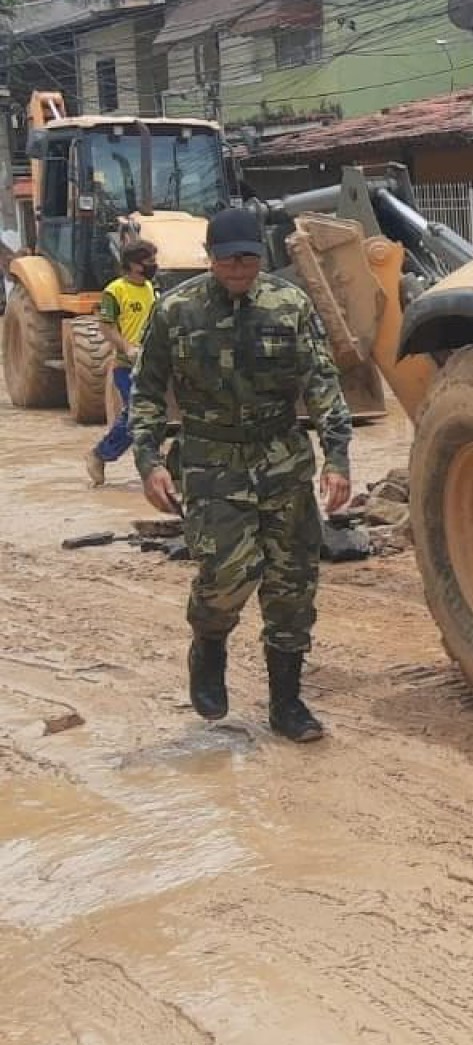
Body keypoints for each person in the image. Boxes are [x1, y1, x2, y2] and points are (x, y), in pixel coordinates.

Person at [131, 206, 353, 743]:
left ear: (261, 258)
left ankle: (287, 704)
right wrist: (149, 461)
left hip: (282, 459)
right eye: (229, 259)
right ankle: (209, 645)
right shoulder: (176, 311)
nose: (239, 269)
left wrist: (337, 458)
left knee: (292, 583)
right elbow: (147, 391)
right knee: (226, 576)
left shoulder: (289, 305)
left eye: (248, 259)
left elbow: (322, 383)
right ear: (210, 257)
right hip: (211, 462)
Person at [84, 238, 159, 486]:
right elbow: (106, 327)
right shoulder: (114, 291)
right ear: (133, 264)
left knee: (157, 417)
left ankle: (160, 467)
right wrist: (127, 346)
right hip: (127, 366)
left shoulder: (151, 288)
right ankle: (100, 455)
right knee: (135, 415)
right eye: (148, 261)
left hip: (153, 365)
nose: (153, 265)